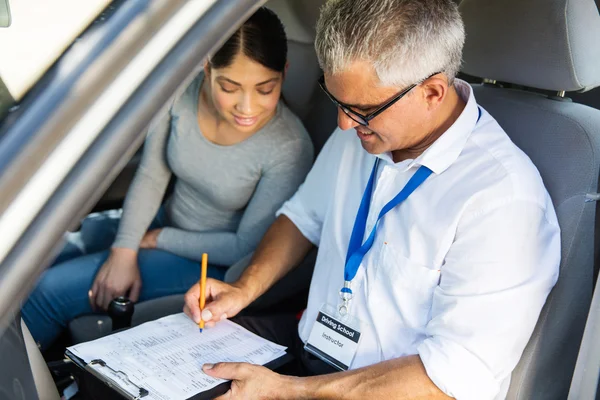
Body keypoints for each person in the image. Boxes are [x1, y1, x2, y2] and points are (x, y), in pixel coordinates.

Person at [182, 0, 560, 399]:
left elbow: (451, 377)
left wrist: (287, 391)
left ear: (431, 92)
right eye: (338, 101)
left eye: (362, 110)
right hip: (308, 351)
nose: (344, 123)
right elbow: (303, 217)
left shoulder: (503, 201)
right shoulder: (362, 134)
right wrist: (244, 288)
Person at [22, 7, 314, 351]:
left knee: (47, 293)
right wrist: (124, 249)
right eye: (230, 87)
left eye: (265, 89)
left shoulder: (288, 147)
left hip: (211, 265)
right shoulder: (181, 93)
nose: (247, 107)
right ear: (207, 67)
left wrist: (158, 239)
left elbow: (244, 247)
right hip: (162, 223)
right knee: (34, 257)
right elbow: (151, 173)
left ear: (284, 73)